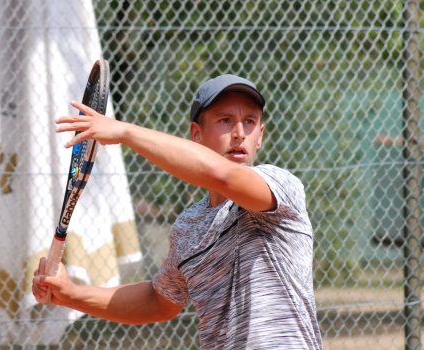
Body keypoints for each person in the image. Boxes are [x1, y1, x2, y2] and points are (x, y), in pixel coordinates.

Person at [32, 74, 323, 349]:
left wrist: (124, 131)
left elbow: (223, 176)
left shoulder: (281, 186)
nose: (239, 134)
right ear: (196, 134)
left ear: (260, 136)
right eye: (225, 120)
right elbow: (158, 300)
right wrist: (70, 294)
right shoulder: (189, 226)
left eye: (249, 122)